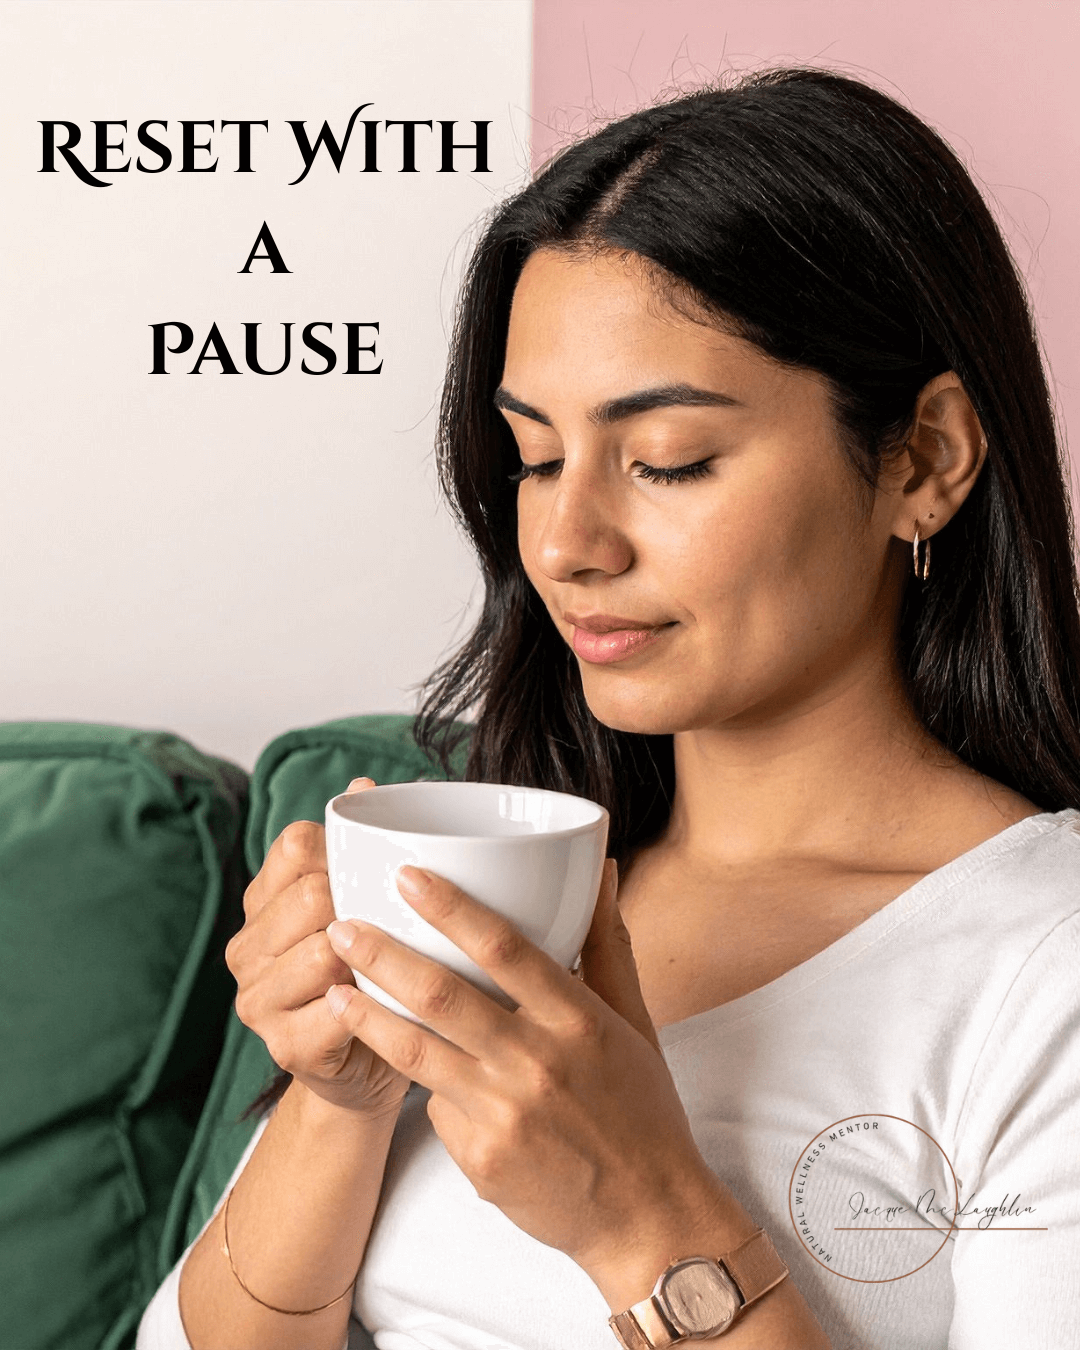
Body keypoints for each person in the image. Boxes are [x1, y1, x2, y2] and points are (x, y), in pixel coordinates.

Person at [137, 66, 1080, 1350]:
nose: (567, 542)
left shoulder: (1040, 968)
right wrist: (340, 1095)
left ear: (924, 457)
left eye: (666, 461)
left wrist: (645, 1215)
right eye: (534, 457)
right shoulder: (517, 884)